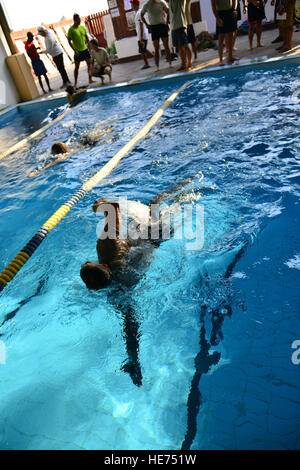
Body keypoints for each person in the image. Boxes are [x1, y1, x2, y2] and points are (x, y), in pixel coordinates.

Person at [28, 124, 114, 178]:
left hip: (87, 146)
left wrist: (38, 171)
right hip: (82, 142)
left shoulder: (66, 155)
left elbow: (55, 162)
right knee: (98, 135)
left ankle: (109, 131)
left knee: (99, 139)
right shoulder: (69, 146)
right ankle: (110, 130)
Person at [141, 0, 173, 71]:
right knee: (156, 47)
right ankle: (157, 66)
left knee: (166, 46)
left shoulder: (162, 2)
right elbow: (141, 15)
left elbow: (168, 11)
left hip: (162, 26)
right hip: (153, 27)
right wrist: (147, 25)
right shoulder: (147, 4)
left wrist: (167, 23)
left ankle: (170, 63)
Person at [67, 13, 94, 88]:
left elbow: (87, 37)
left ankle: (90, 79)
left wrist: (89, 47)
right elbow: (69, 41)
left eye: (80, 20)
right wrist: (74, 50)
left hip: (85, 49)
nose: (79, 21)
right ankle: (75, 82)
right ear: (74, 20)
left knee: (89, 64)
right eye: (78, 20)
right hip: (77, 51)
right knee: (77, 67)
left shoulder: (82, 27)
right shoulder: (71, 30)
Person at [211, 0, 238, 65]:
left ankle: (230, 56)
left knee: (231, 35)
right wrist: (217, 18)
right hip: (220, 14)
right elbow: (213, 6)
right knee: (221, 38)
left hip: (230, 12)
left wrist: (234, 9)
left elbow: (235, 1)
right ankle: (221, 60)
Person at [169, 0, 192, 71]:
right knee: (179, 47)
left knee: (185, 45)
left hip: (181, 25)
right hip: (173, 26)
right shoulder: (170, 1)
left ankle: (190, 63)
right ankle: (183, 64)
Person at [131, 0, 152, 69]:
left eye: (132, 4)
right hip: (141, 35)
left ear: (136, 5)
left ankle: (147, 64)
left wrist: (141, 38)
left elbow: (141, 24)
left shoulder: (139, 13)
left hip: (142, 35)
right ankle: (154, 56)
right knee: (143, 49)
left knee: (142, 51)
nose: (132, 6)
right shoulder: (137, 13)